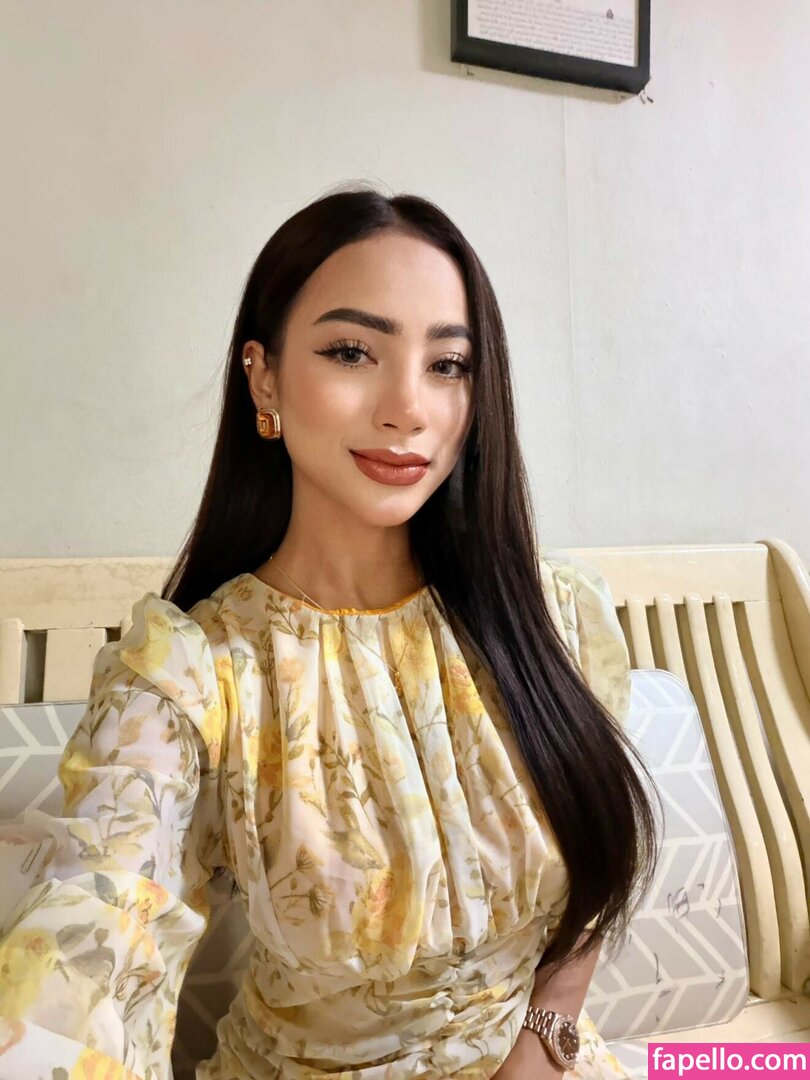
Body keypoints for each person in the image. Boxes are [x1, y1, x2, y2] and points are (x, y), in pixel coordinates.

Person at [0, 183, 658, 1080]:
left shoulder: (550, 614)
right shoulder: (192, 673)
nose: (408, 408)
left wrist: (545, 1040)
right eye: (353, 351)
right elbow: (96, 920)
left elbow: (596, 852)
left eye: (448, 365)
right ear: (263, 377)